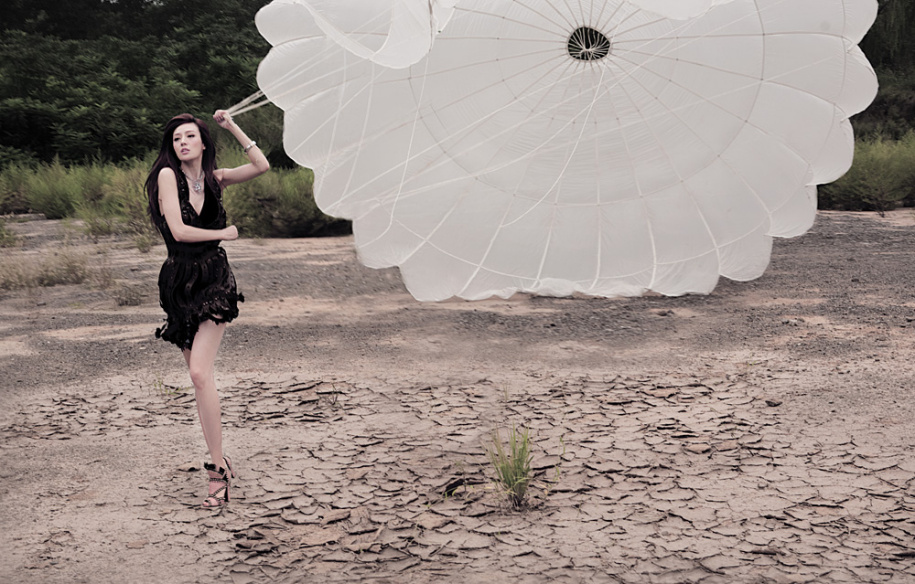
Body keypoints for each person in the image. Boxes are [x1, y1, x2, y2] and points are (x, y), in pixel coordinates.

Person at [145, 110, 269, 508]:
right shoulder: (169, 177)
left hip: (214, 278)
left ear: (202, 143)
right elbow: (179, 231)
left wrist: (231, 126)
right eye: (176, 138)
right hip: (179, 282)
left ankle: (217, 472)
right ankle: (221, 460)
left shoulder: (215, 179)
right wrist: (224, 232)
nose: (182, 143)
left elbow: (261, 165)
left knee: (199, 372)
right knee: (202, 380)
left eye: (189, 136)